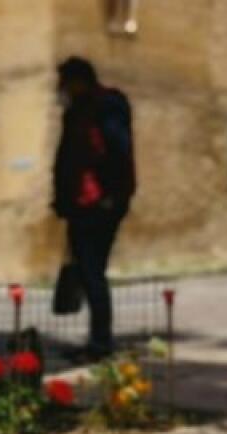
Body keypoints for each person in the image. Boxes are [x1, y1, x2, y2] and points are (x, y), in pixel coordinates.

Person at [52, 56, 136, 361]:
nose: (60, 89)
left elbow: (118, 151)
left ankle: (101, 343)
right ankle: (97, 340)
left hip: (99, 203)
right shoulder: (76, 112)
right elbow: (66, 159)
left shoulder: (106, 106)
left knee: (92, 271)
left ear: (79, 81)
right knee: (89, 273)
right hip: (79, 203)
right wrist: (61, 199)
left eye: (64, 82)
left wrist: (111, 197)